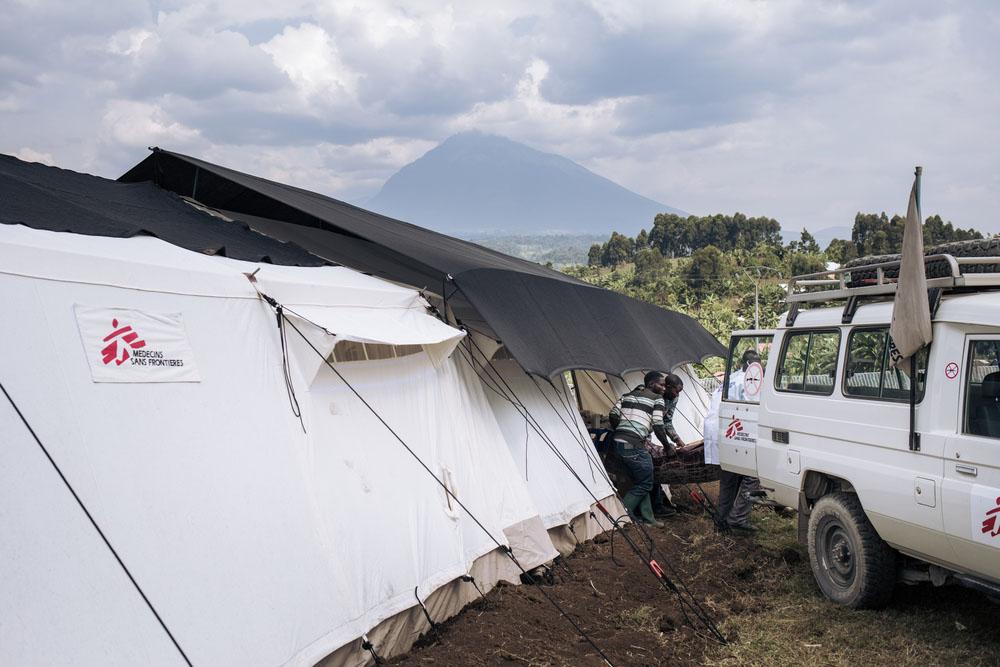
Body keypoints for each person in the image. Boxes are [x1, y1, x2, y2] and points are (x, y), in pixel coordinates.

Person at [609, 371, 678, 527]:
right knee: (646, 483)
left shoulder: (626, 395)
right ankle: (622, 516)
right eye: (661, 384)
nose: (663, 388)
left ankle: (648, 518)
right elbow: (658, 425)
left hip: (619, 443)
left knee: (641, 481)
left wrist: (621, 431)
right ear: (651, 384)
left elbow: (612, 414)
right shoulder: (657, 399)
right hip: (634, 445)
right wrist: (667, 446)